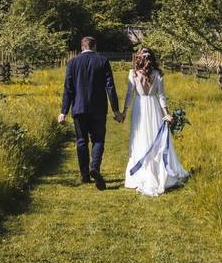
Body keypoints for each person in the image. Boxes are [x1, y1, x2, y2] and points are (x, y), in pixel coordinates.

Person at [119, 47, 189, 196]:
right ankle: (157, 173)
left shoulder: (133, 74)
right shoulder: (158, 74)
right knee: (156, 140)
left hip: (140, 109)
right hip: (154, 108)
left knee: (140, 139)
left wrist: (124, 112)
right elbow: (161, 97)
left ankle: (142, 175)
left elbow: (129, 95)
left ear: (138, 58)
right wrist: (167, 114)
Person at [59, 36, 121, 190]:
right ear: (94, 46)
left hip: (79, 108)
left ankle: (85, 175)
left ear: (82, 47)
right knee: (98, 139)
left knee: (81, 141)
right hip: (98, 108)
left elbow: (68, 89)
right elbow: (110, 87)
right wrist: (115, 110)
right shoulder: (102, 61)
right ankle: (95, 167)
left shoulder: (72, 62)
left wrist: (63, 112)